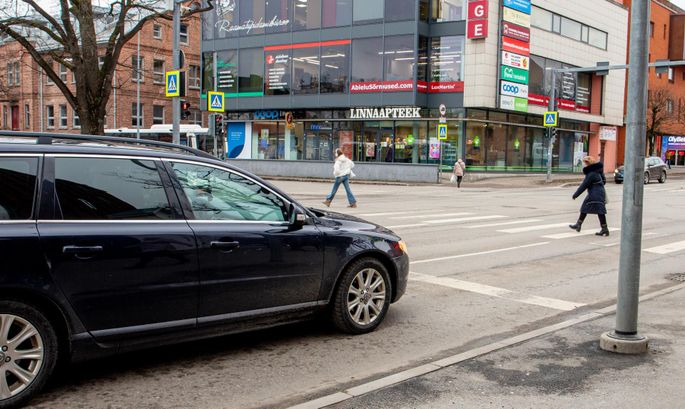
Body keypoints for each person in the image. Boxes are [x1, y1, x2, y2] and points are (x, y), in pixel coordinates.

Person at [569, 156, 609, 236]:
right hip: (597, 193)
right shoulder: (598, 171)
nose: (585, 164)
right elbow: (604, 181)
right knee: (587, 208)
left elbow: (584, 185)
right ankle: (579, 224)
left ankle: (604, 229)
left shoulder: (591, 174)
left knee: (599, 211)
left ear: (589, 163)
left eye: (586, 163)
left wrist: (575, 194)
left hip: (595, 194)